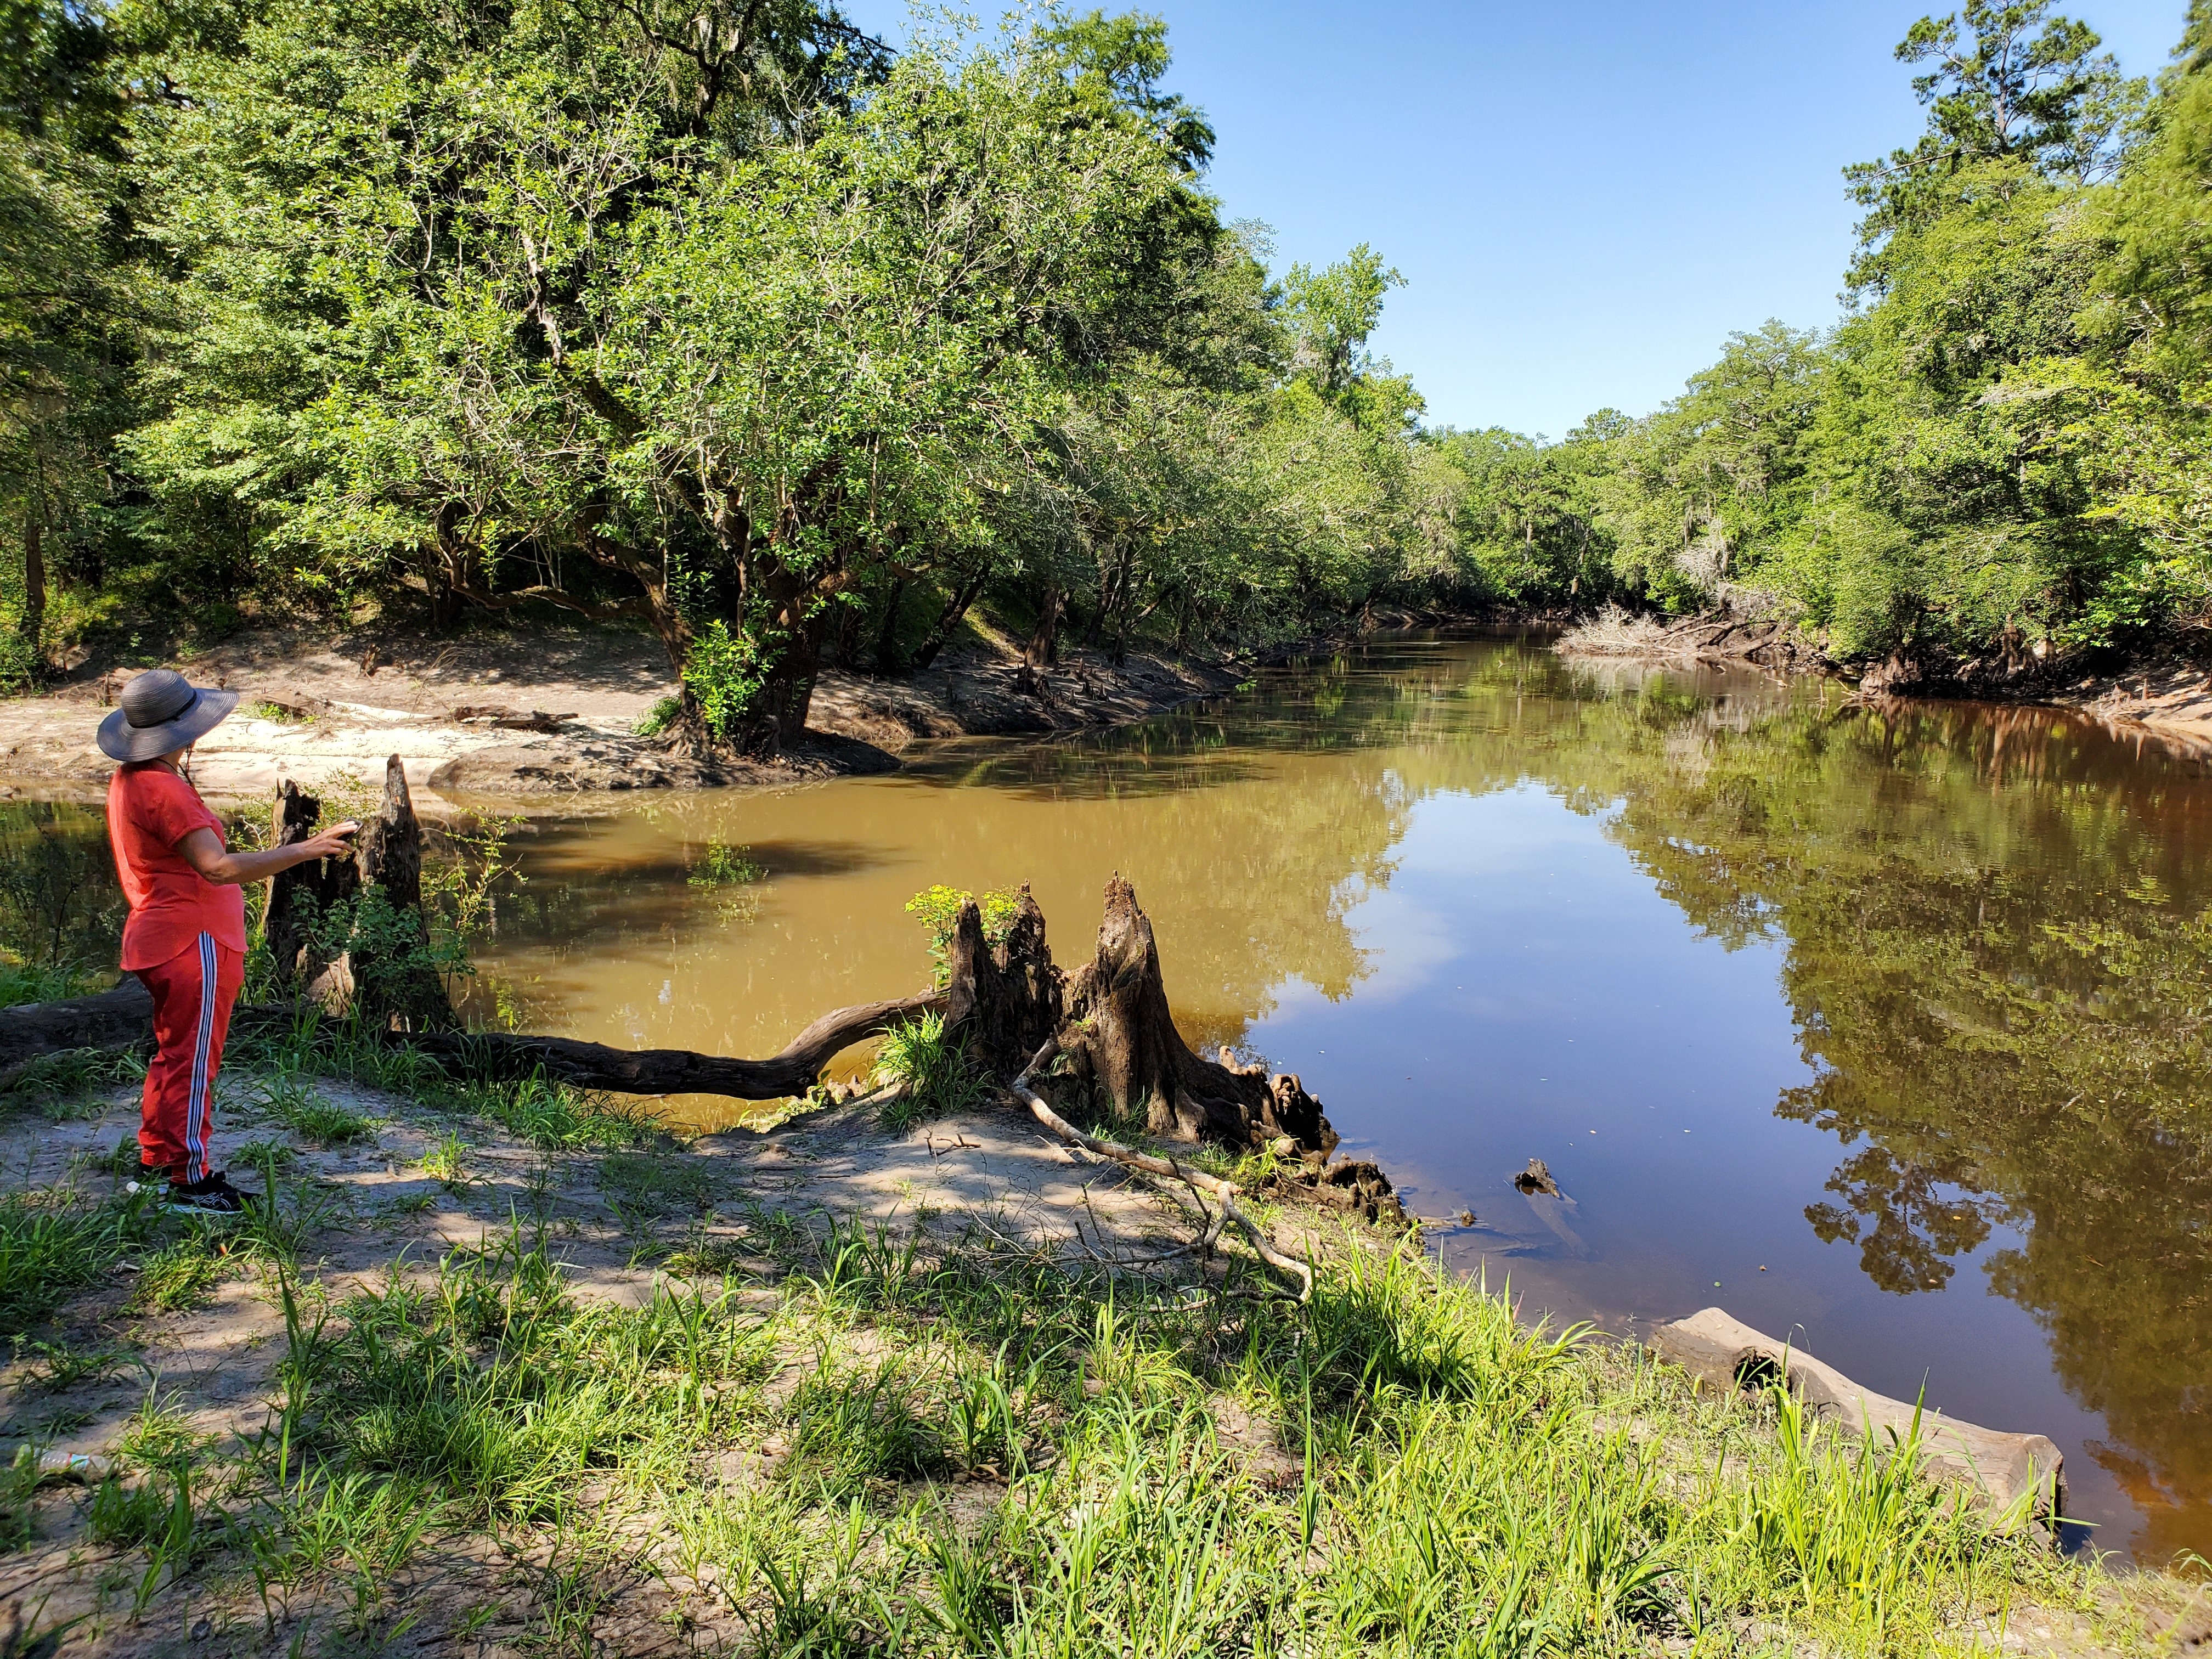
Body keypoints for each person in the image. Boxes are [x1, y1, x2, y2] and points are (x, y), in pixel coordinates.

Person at [99, 669, 359, 1215]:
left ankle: (155, 1166)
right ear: (181, 731)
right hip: (193, 942)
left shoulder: (132, 778)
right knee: (195, 1062)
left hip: (162, 934)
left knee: (174, 1055)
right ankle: (189, 1181)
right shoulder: (165, 787)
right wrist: (308, 849)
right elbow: (216, 868)